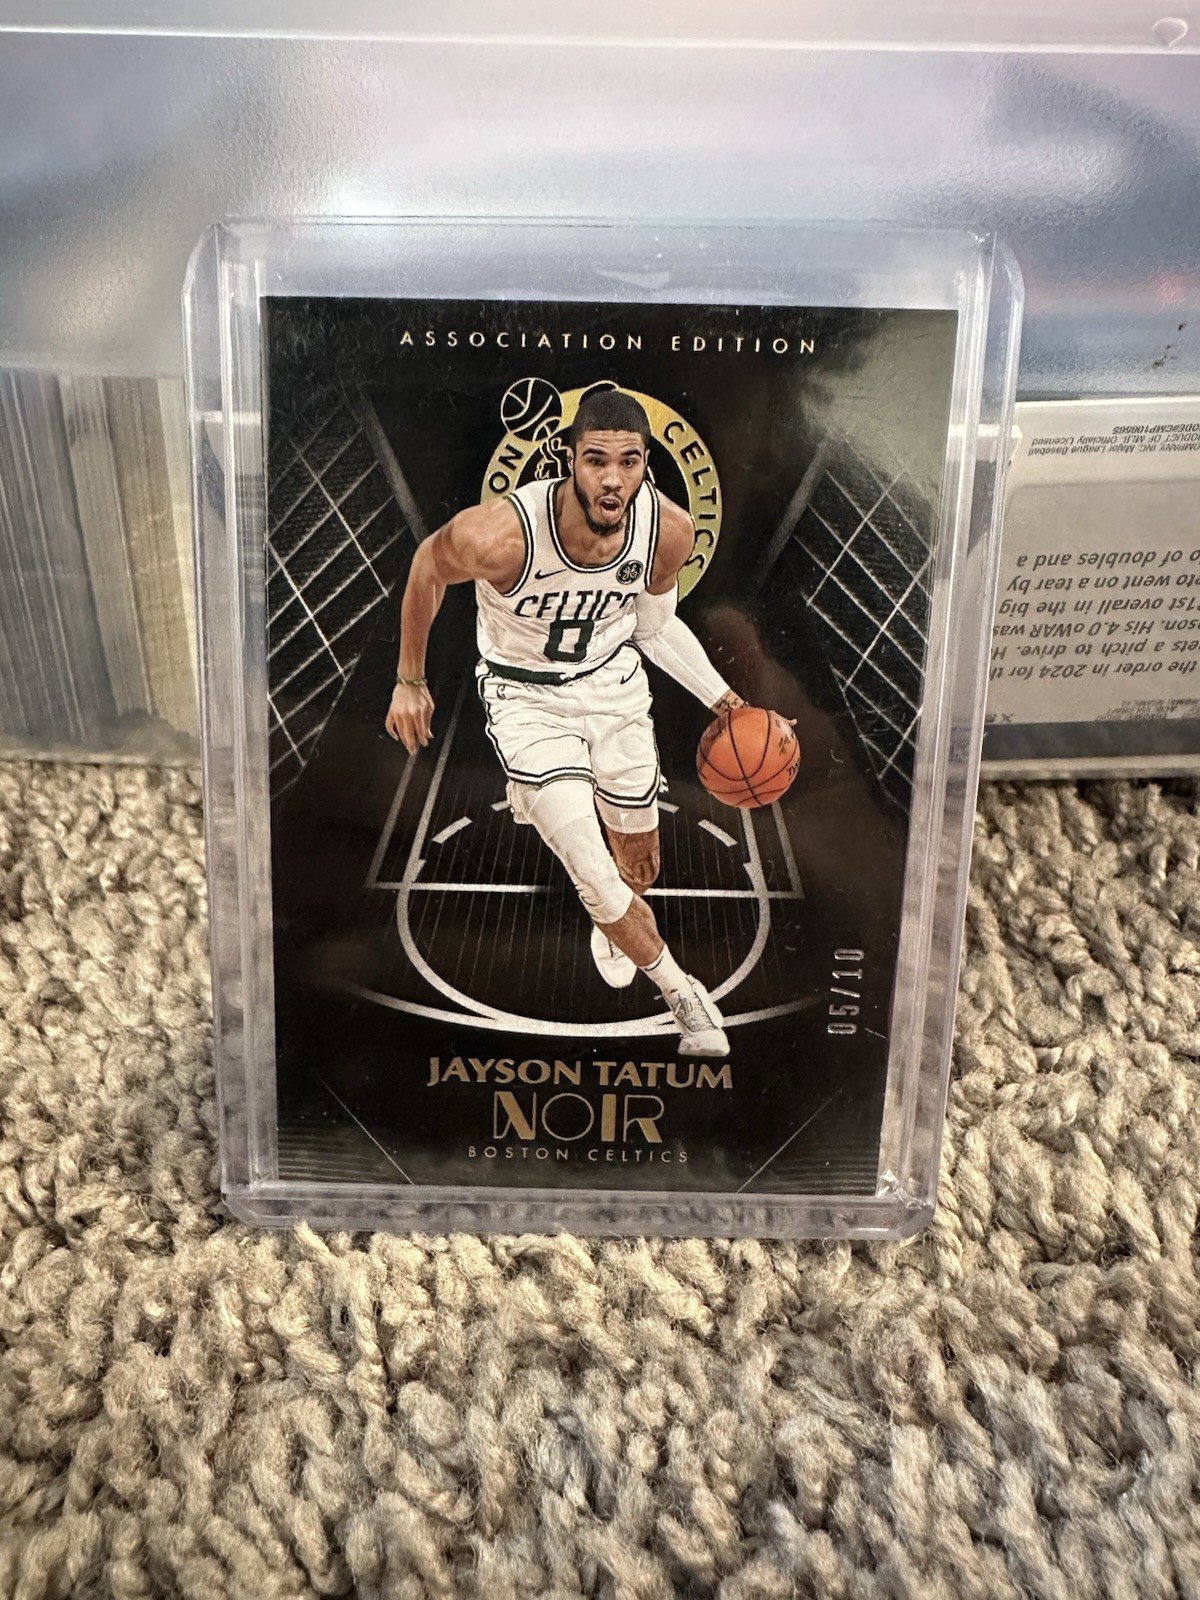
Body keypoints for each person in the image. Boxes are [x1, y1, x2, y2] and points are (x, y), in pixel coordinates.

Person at [385, 388, 746, 1056]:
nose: (613, 479)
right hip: (526, 700)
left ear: (646, 466)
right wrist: (410, 679)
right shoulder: (501, 536)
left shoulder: (667, 531)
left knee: (639, 864)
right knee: (592, 869)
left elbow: (653, 631)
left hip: (613, 688)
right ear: (566, 459)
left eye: (629, 462)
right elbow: (426, 567)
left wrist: (726, 701)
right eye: (596, 460)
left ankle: (614, 924)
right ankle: (684, 996)